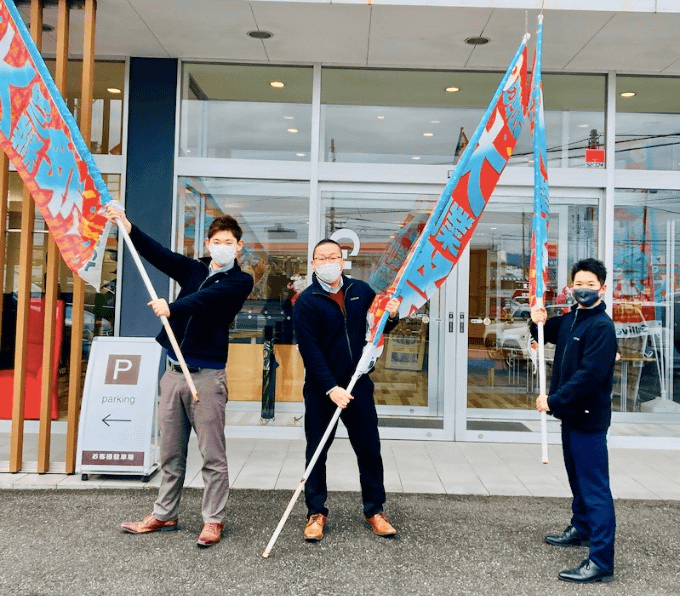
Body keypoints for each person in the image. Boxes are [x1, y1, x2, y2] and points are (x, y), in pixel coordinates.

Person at [106, 205, 253, 548]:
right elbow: (160, 255)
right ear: (207, 242)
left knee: (212, 455)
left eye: (228, 241)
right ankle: (164, 513)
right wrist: (128, 225)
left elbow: (207, 300)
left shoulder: (240, 281)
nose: (222, 245)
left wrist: (173, 307)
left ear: (238, 246)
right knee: (170, 452)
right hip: (173, 372)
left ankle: (213, 520)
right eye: (217, 240)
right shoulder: (194, 268)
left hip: (206, 376)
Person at [293, 239, 400, 542]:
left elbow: (376, 329)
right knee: (317, 451)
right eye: (321, 258)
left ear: (342, 261)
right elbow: (310, 351)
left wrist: (391, 315)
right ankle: (316, 513)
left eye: (333, 257)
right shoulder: (307, 301)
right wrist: (330, 387)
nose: (328, 262)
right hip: (321, 389)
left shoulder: (361, 291)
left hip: (359, 385)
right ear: (313, 264)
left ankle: (374, 511)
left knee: (369, 449)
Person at [530, 258, 617, 583]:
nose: (583, 289)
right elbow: (544, 330)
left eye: (590, 285)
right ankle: (581, 527)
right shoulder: (570, 320)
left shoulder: (602, 328)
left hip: (589, 421)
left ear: (602, 288)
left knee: (595, 490)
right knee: (577, 481)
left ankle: (601, 561)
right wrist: (535, 318)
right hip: (569, 419)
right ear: (571, 287)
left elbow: (588, 378)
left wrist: (553, 400)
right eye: (578, 284)